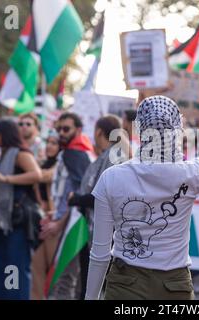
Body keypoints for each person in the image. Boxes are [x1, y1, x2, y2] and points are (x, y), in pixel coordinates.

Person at [85, 36, 199, 300]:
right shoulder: (193, 172)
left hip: (124, 286)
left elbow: (99, 252)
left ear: (139, 130)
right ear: (178, 130)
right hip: (175, 288)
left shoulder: (112, 178)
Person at [68, 115, 127, 299]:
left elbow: (105, 195)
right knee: (88, 284)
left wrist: (77, 198)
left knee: (96, 285)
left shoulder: (114, 155)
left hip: (104, 232)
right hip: (94, 229)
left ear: (99, 132)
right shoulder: (108, 154)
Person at [0, 119, 42, 300]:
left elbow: (36, 174)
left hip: (17, 222)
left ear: (5, 134)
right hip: (3, 222)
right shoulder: (4, 154)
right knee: (2, 268)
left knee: (15, 268)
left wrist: (7, 178)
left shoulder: (20, 153)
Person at [45, 112, 93, 299]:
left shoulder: (76, 154)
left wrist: (60, 222)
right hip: (64, 224)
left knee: (64, 280)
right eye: (59, 129)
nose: (61, 133)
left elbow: (76, 198)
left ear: (79, 130)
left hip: (71, 227)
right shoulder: (72, 152)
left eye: (66, 129)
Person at [31, 130, 61, 300]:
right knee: (36, 265)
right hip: (41, 219)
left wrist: (30, 170)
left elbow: (46, 177)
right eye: (48, 142)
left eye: (54, 143)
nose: (49, 146)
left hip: (54, 221)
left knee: (54, 270)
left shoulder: (60, 164)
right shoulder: (42, 163)